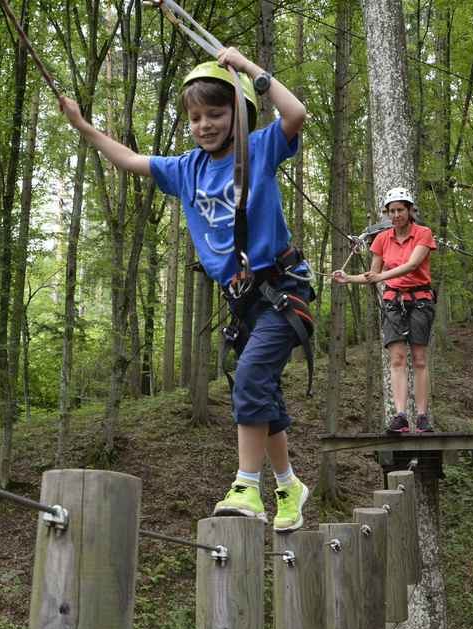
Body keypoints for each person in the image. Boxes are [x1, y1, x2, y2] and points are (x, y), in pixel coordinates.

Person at [60, 47, 312, 531]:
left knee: (252, 380)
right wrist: (82, 126)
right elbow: (130, 159)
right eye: (196, 117)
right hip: (245, 303)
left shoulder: (258, 149)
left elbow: (296, 113)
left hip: (282, 291)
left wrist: (250, 70)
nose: (205, 125)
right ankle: (288, 484)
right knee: (265, 395)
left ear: (239, 113)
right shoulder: (187, 168)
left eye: (216, 114)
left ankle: (245, 484)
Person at [332, 187, 437, 433]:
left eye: (401, 210)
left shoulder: (423, 234)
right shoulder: (382, 239)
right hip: (393, 302)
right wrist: (348, 278)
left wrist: (381, 276)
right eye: (392, 211)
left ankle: (422, 417)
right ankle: (401, 416)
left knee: (420, 359)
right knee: (397, 359)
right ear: (387, 214)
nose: (396, 215)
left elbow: (412, 266)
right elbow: (372, 275)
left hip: (420, 299)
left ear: (410, 211)